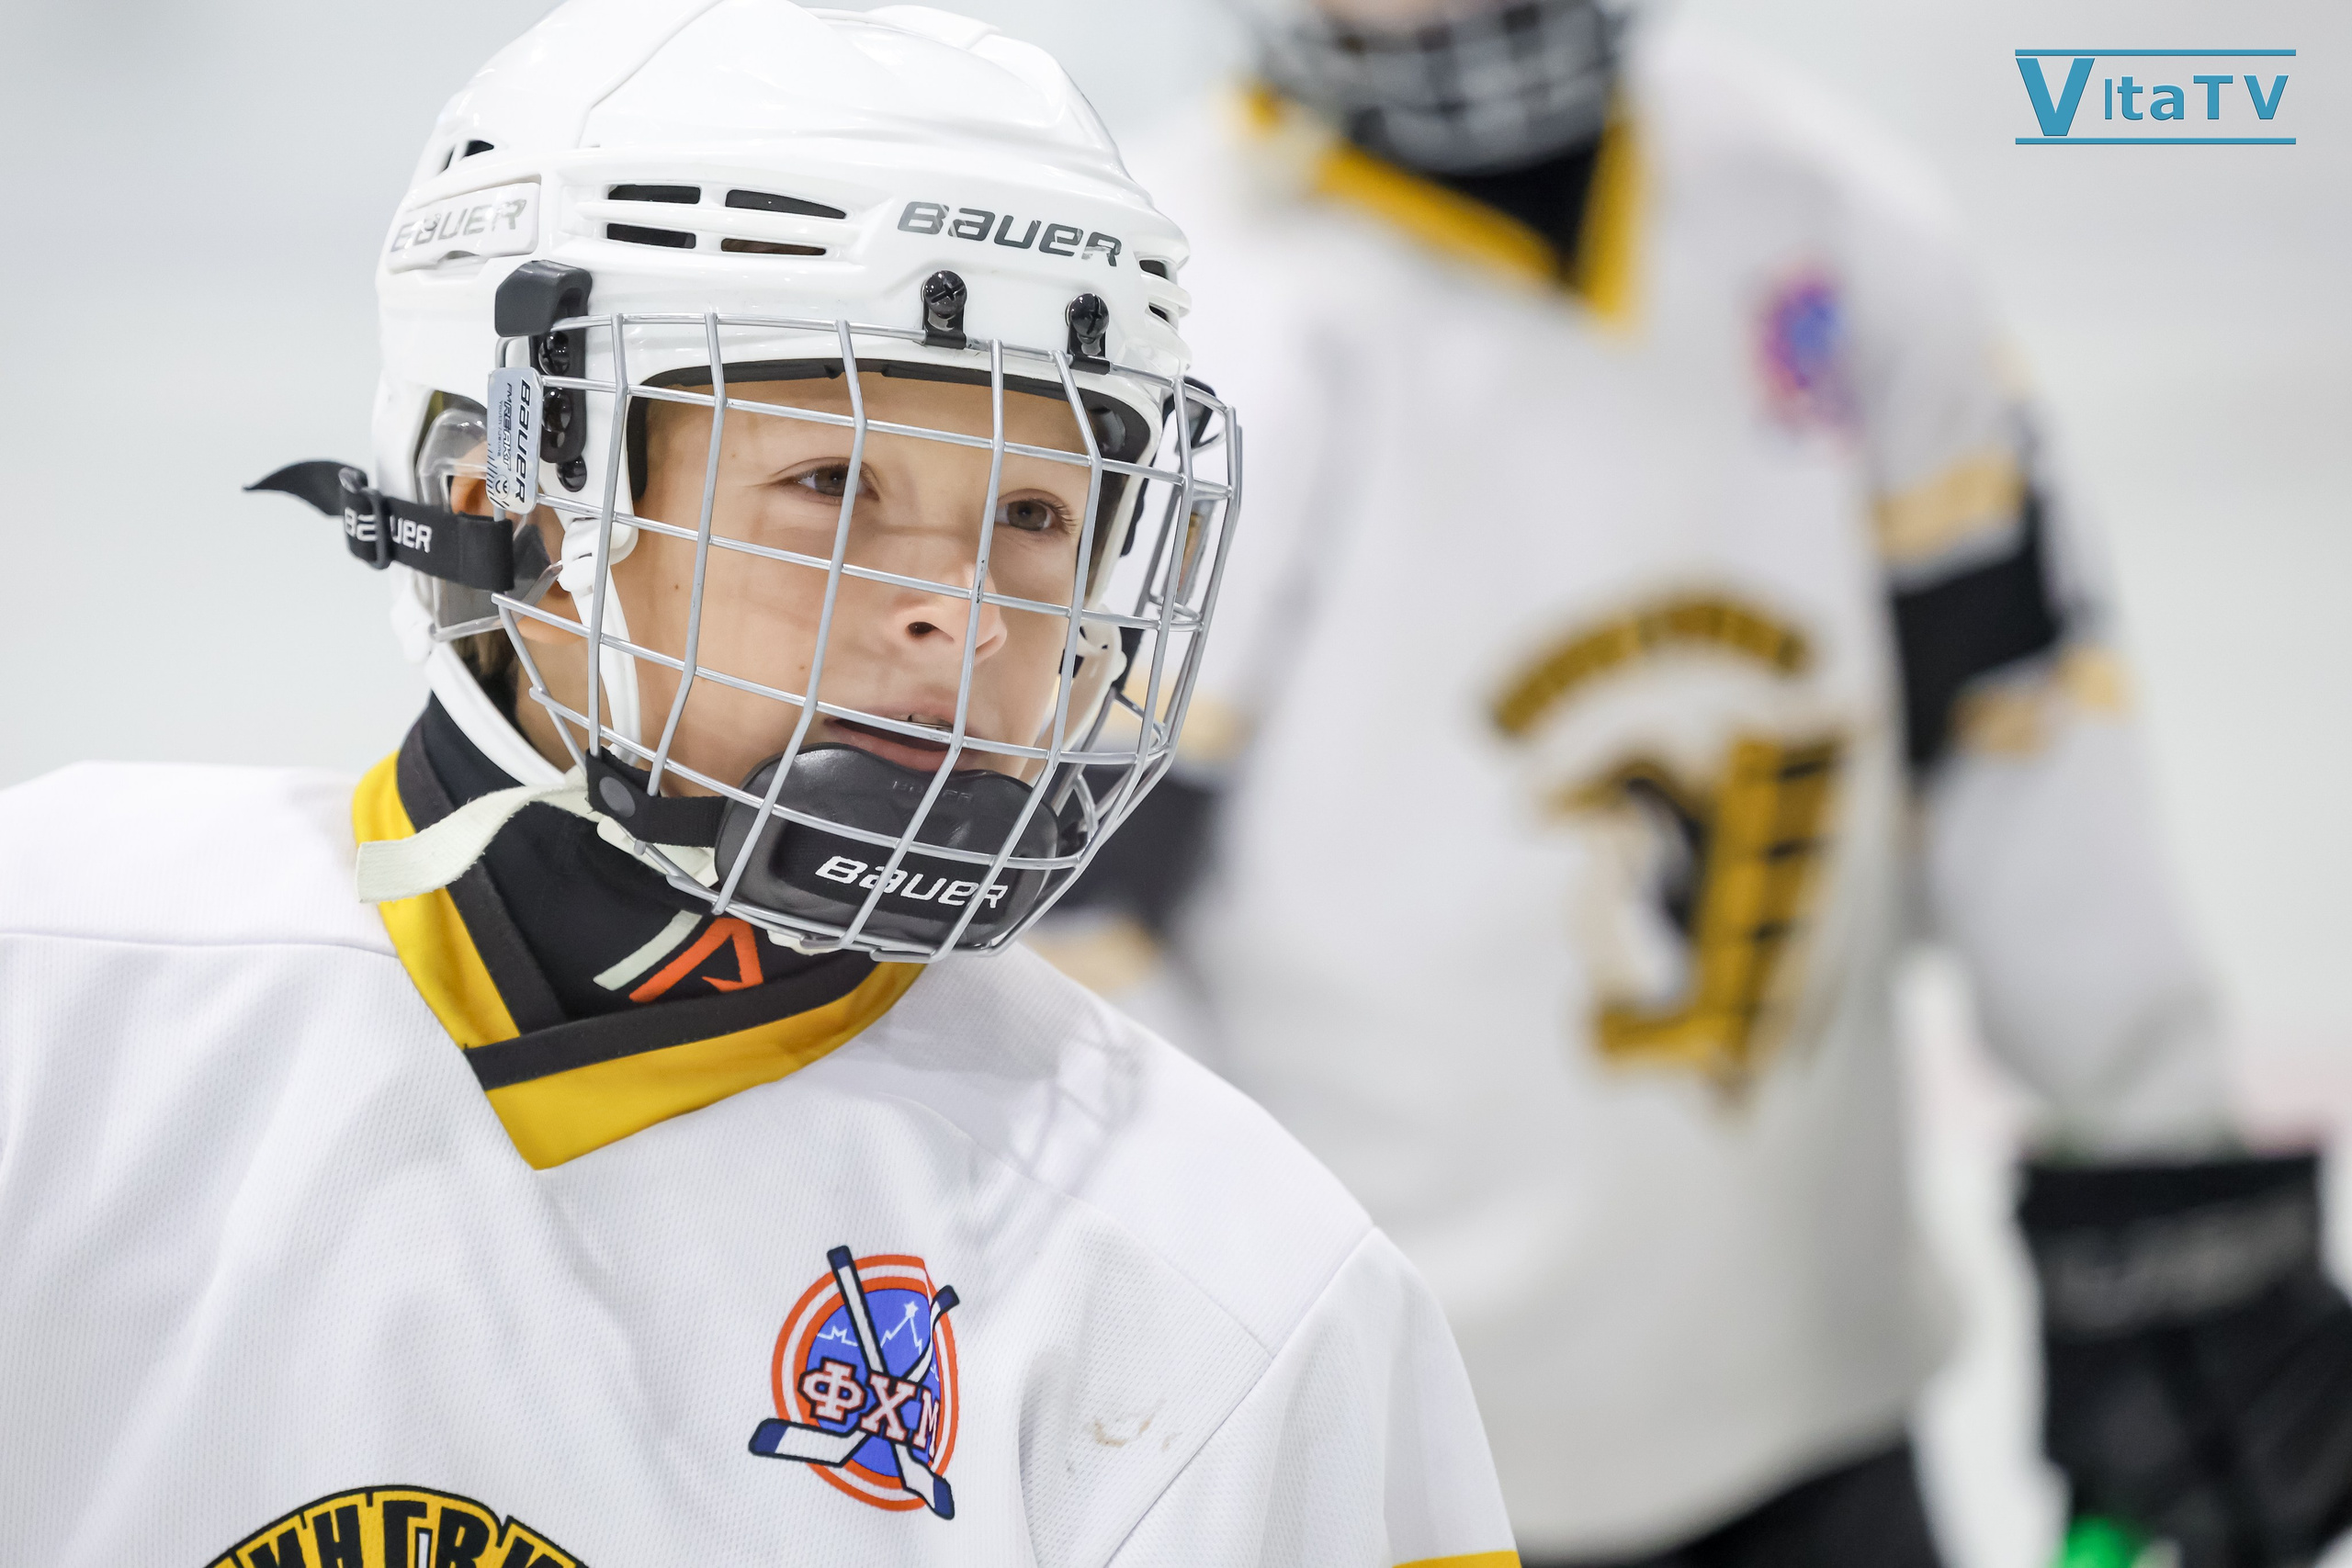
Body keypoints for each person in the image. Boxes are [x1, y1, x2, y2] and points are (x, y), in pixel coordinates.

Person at [0, 4, 1521, 1564]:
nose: (970, 609)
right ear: (499, 513)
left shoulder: (1229, 1286)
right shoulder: (53, 986)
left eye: (1041, 516)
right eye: (830, 484)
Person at [1035, 1, 2352, 1563]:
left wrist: (2160, 1157)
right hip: (1410, 1472)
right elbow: (1074, 918)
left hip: (1821, 1411)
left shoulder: (1824, 217)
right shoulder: (1195, 315)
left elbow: (2017, 728)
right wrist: (1236, 1346)